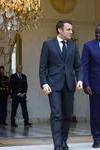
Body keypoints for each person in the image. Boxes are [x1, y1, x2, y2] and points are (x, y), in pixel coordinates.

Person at [39, 20, 83, 150]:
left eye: (71, 30)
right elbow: (42, 67)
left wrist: (80, 79)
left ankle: (64, 141)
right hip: (53, 85)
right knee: (56, 114)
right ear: (60, 30)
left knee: (68, 115)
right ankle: (57, 144)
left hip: (69, 85)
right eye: (68, 29)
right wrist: (44, 83)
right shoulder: (48, 45)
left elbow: (78, 66)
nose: (71, 32)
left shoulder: (73, 46)